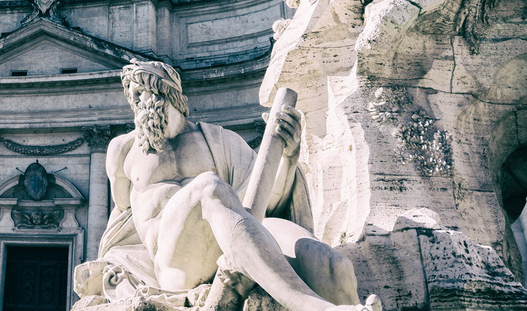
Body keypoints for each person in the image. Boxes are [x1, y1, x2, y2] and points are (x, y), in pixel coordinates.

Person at [81, 60, 370, 311]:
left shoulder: (218, 140)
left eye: (140, 93)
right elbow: (121, 226)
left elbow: (268, 200)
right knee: (209, 186)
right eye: (133, 98)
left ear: (164, 90)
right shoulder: (124, 150)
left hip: (229, 240)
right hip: (175, 266)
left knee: (330, 265)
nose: (136, 105)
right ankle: (312, 306)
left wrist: (289, 157)